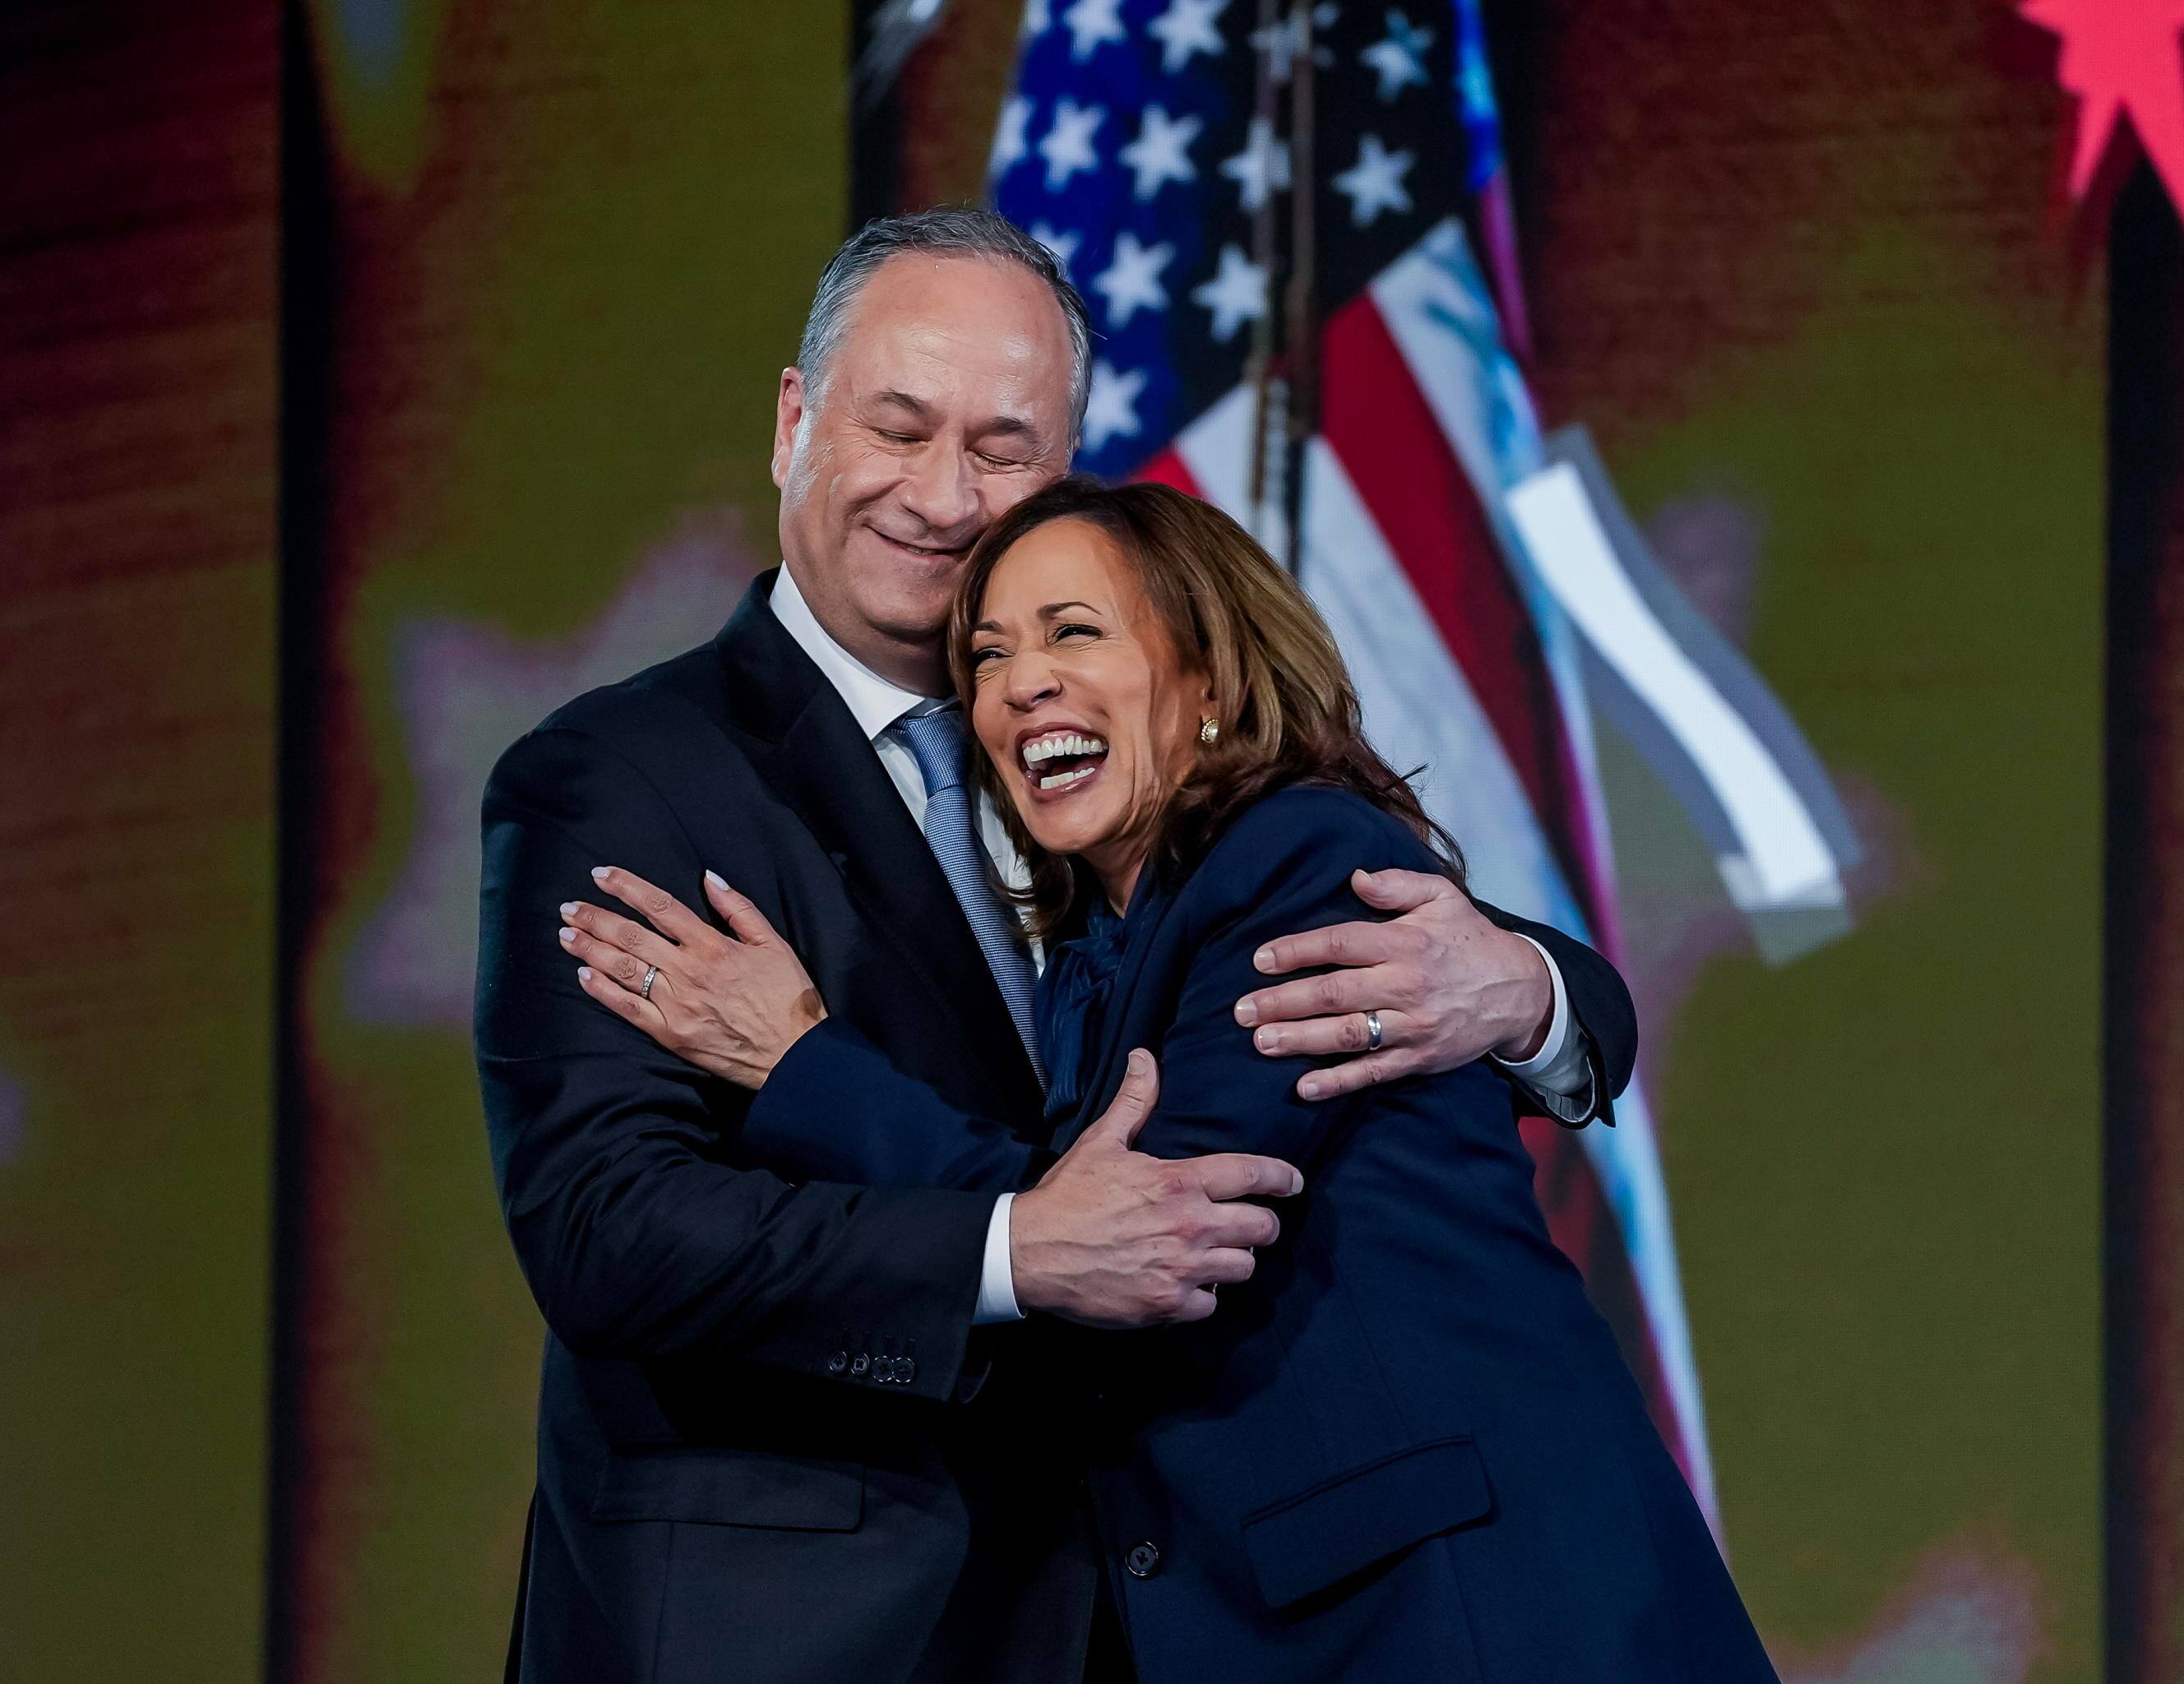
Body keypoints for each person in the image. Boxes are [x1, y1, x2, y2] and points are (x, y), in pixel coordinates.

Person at [479, 208, 1639, 1684]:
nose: (943, 495)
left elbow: (1284, 908)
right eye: (897, 426)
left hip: (1139, 1620)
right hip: (787, 1635)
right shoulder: (626, 776)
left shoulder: (1093, 757)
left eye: (1004, 448)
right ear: (793, 421)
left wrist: (1530, 987)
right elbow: (606, 1230)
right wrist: (1016, 1249)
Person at [584, 476, 1775, 1682]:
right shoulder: (1095, 957)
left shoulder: (1299, 857)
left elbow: (1152, 1234)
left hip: (1470, 1615)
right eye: (988, 656)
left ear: (1208, 679)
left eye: (1073, 632)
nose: (1019, 682)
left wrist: (798, 1061)